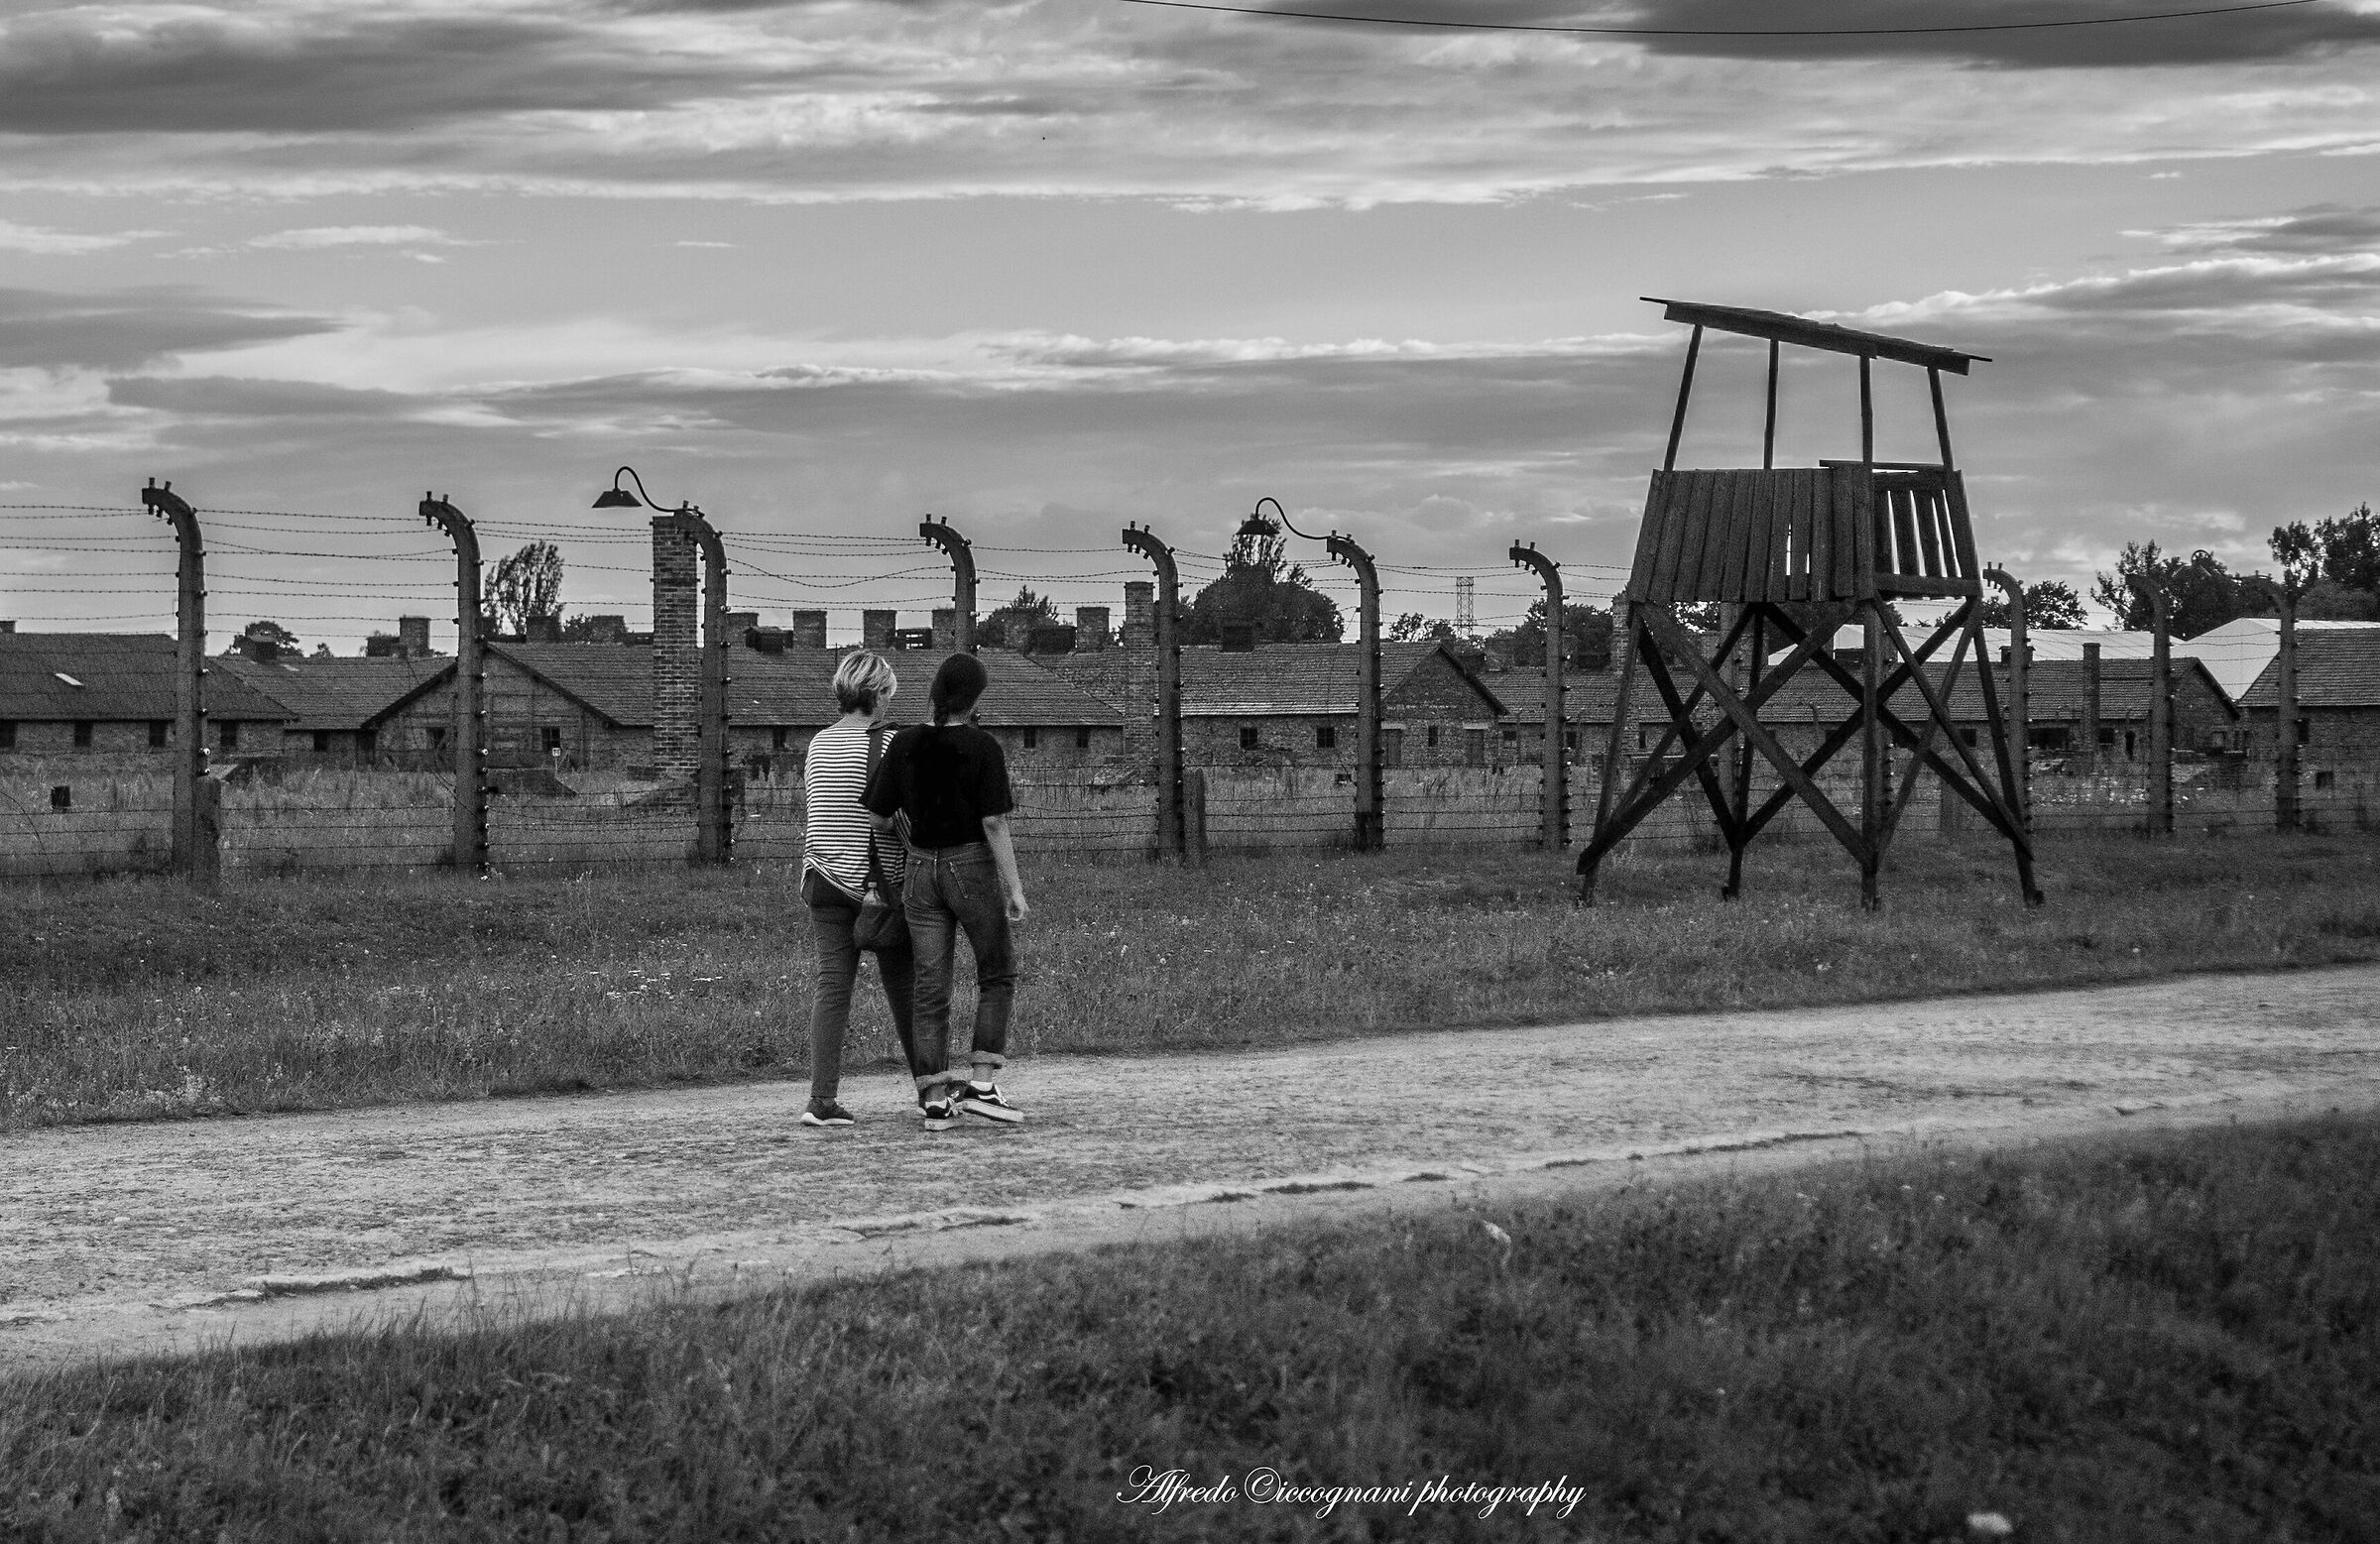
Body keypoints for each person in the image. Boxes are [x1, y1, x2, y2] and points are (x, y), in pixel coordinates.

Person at [864, 652, 1028, 1130]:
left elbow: (877, 816)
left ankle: (935, 1097)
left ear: (936, 692)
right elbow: (993, 821)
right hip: (970, 865)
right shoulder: (983, 746)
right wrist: (1014, 887)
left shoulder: (906, 742)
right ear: (974, 697)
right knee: (996, 972)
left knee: (930, 985)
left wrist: (914, 843)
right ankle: (981, 1086)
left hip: (920, 869)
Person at [796, 651, 918, 1128]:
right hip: (877, 885)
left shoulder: (818, 743)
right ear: (880, 694)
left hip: (821, 880)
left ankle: (821, 1100)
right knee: (904, 989)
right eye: (890, 690)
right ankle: (930, 1088)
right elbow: (897, 817)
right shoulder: (892, 745)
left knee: (832, 989)